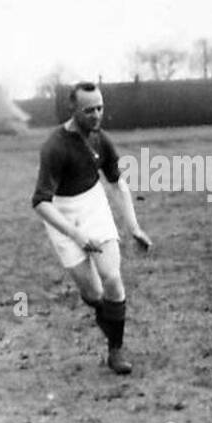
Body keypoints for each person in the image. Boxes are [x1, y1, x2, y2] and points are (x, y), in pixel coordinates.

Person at [32, 82, 152, 374]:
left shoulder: (101, 139)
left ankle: (116, 350)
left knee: (111, 277)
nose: (96, 115)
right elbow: (40, 203)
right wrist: (76, 235)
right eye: (89, 110)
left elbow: (117, 183)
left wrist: (133, 226)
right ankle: (104, 313)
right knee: (92, 292)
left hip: (93, 207)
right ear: (73, 110)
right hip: (61, 216)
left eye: (100, 108)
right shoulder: (54, 146)